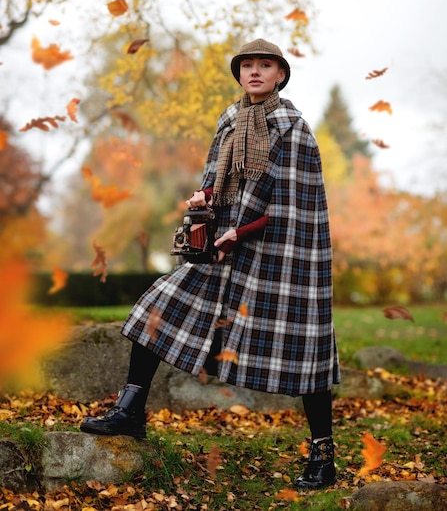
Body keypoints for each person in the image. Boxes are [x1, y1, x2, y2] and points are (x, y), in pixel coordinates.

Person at [80, 38, 340, 490]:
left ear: (281, 74)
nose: (255, 72)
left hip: (274, 256)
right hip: (220, 249)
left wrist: (238, 232)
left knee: (305, 350)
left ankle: (323, 456)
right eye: (248, 65)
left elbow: (293, 205)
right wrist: (205, 200)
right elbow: (214, 177)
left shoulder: (292, 127)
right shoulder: (230, 119)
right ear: (239, 73)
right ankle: (130, 411)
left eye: (266, 65)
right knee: (157, 309)